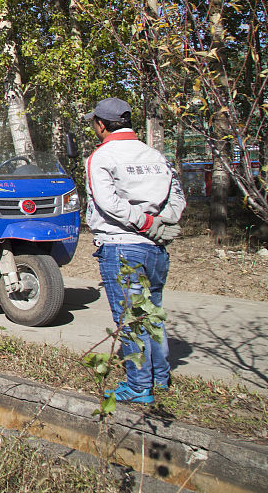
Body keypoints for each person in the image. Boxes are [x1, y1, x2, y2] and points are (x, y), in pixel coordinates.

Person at [85, 97, 185, 403]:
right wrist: (160, 224)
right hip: (156, 248)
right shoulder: (156, 156)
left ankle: (139, 386)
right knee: (151, 313)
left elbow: (108, 204)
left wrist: (142, 223)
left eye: (95, 123)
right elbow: (177, 197)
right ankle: (160, 377)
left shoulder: (101, 157)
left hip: (121, 246)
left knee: (130, 318)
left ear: (101, 125)